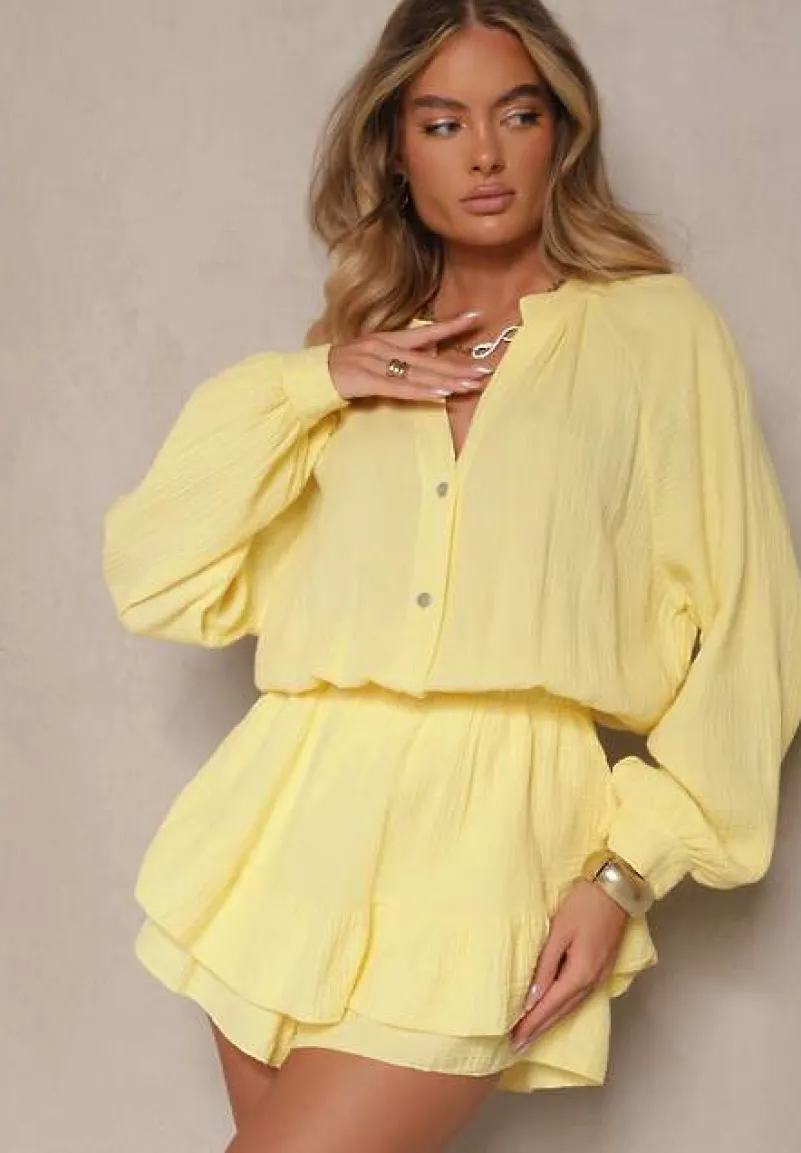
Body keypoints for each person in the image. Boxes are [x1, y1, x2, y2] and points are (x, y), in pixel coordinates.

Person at [101, 2, 801, 1151]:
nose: (483, 153)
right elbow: (154, 570)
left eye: (517, 115)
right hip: (294, 817)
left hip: (491, 836)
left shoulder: (659, 337)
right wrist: (318, 381)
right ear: (394, 147)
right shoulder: (352, 351)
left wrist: (626, 872)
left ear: (560, 133)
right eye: (441, 122)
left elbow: (749, 640)